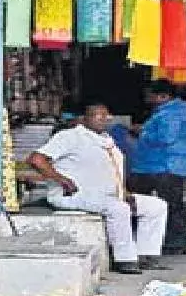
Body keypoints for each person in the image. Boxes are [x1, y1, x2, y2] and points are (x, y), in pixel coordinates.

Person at [28, 103, 167, 275]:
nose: (103, 118)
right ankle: (124, 259)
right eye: (96, 115)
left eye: (106, 115)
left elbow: (113, 170)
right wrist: (61, 179)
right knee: (118, 208)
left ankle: (147, 255)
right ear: (83, 119)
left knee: (156, 206)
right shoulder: (70, 137)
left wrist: (124, 192)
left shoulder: (106, 140)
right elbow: (36, 159)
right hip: (74, 195)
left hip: (107, 195)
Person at [128, 80, 186, 255]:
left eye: (150, 95)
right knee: (168, 205)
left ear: (163, 96)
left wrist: (142, 132)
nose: (147, 99)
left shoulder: (173, 112)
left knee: (166, 205)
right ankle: (165, 243)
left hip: (164, 165)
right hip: (156, 165)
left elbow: (166, 137)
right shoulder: (173, 110)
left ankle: (172, 244)